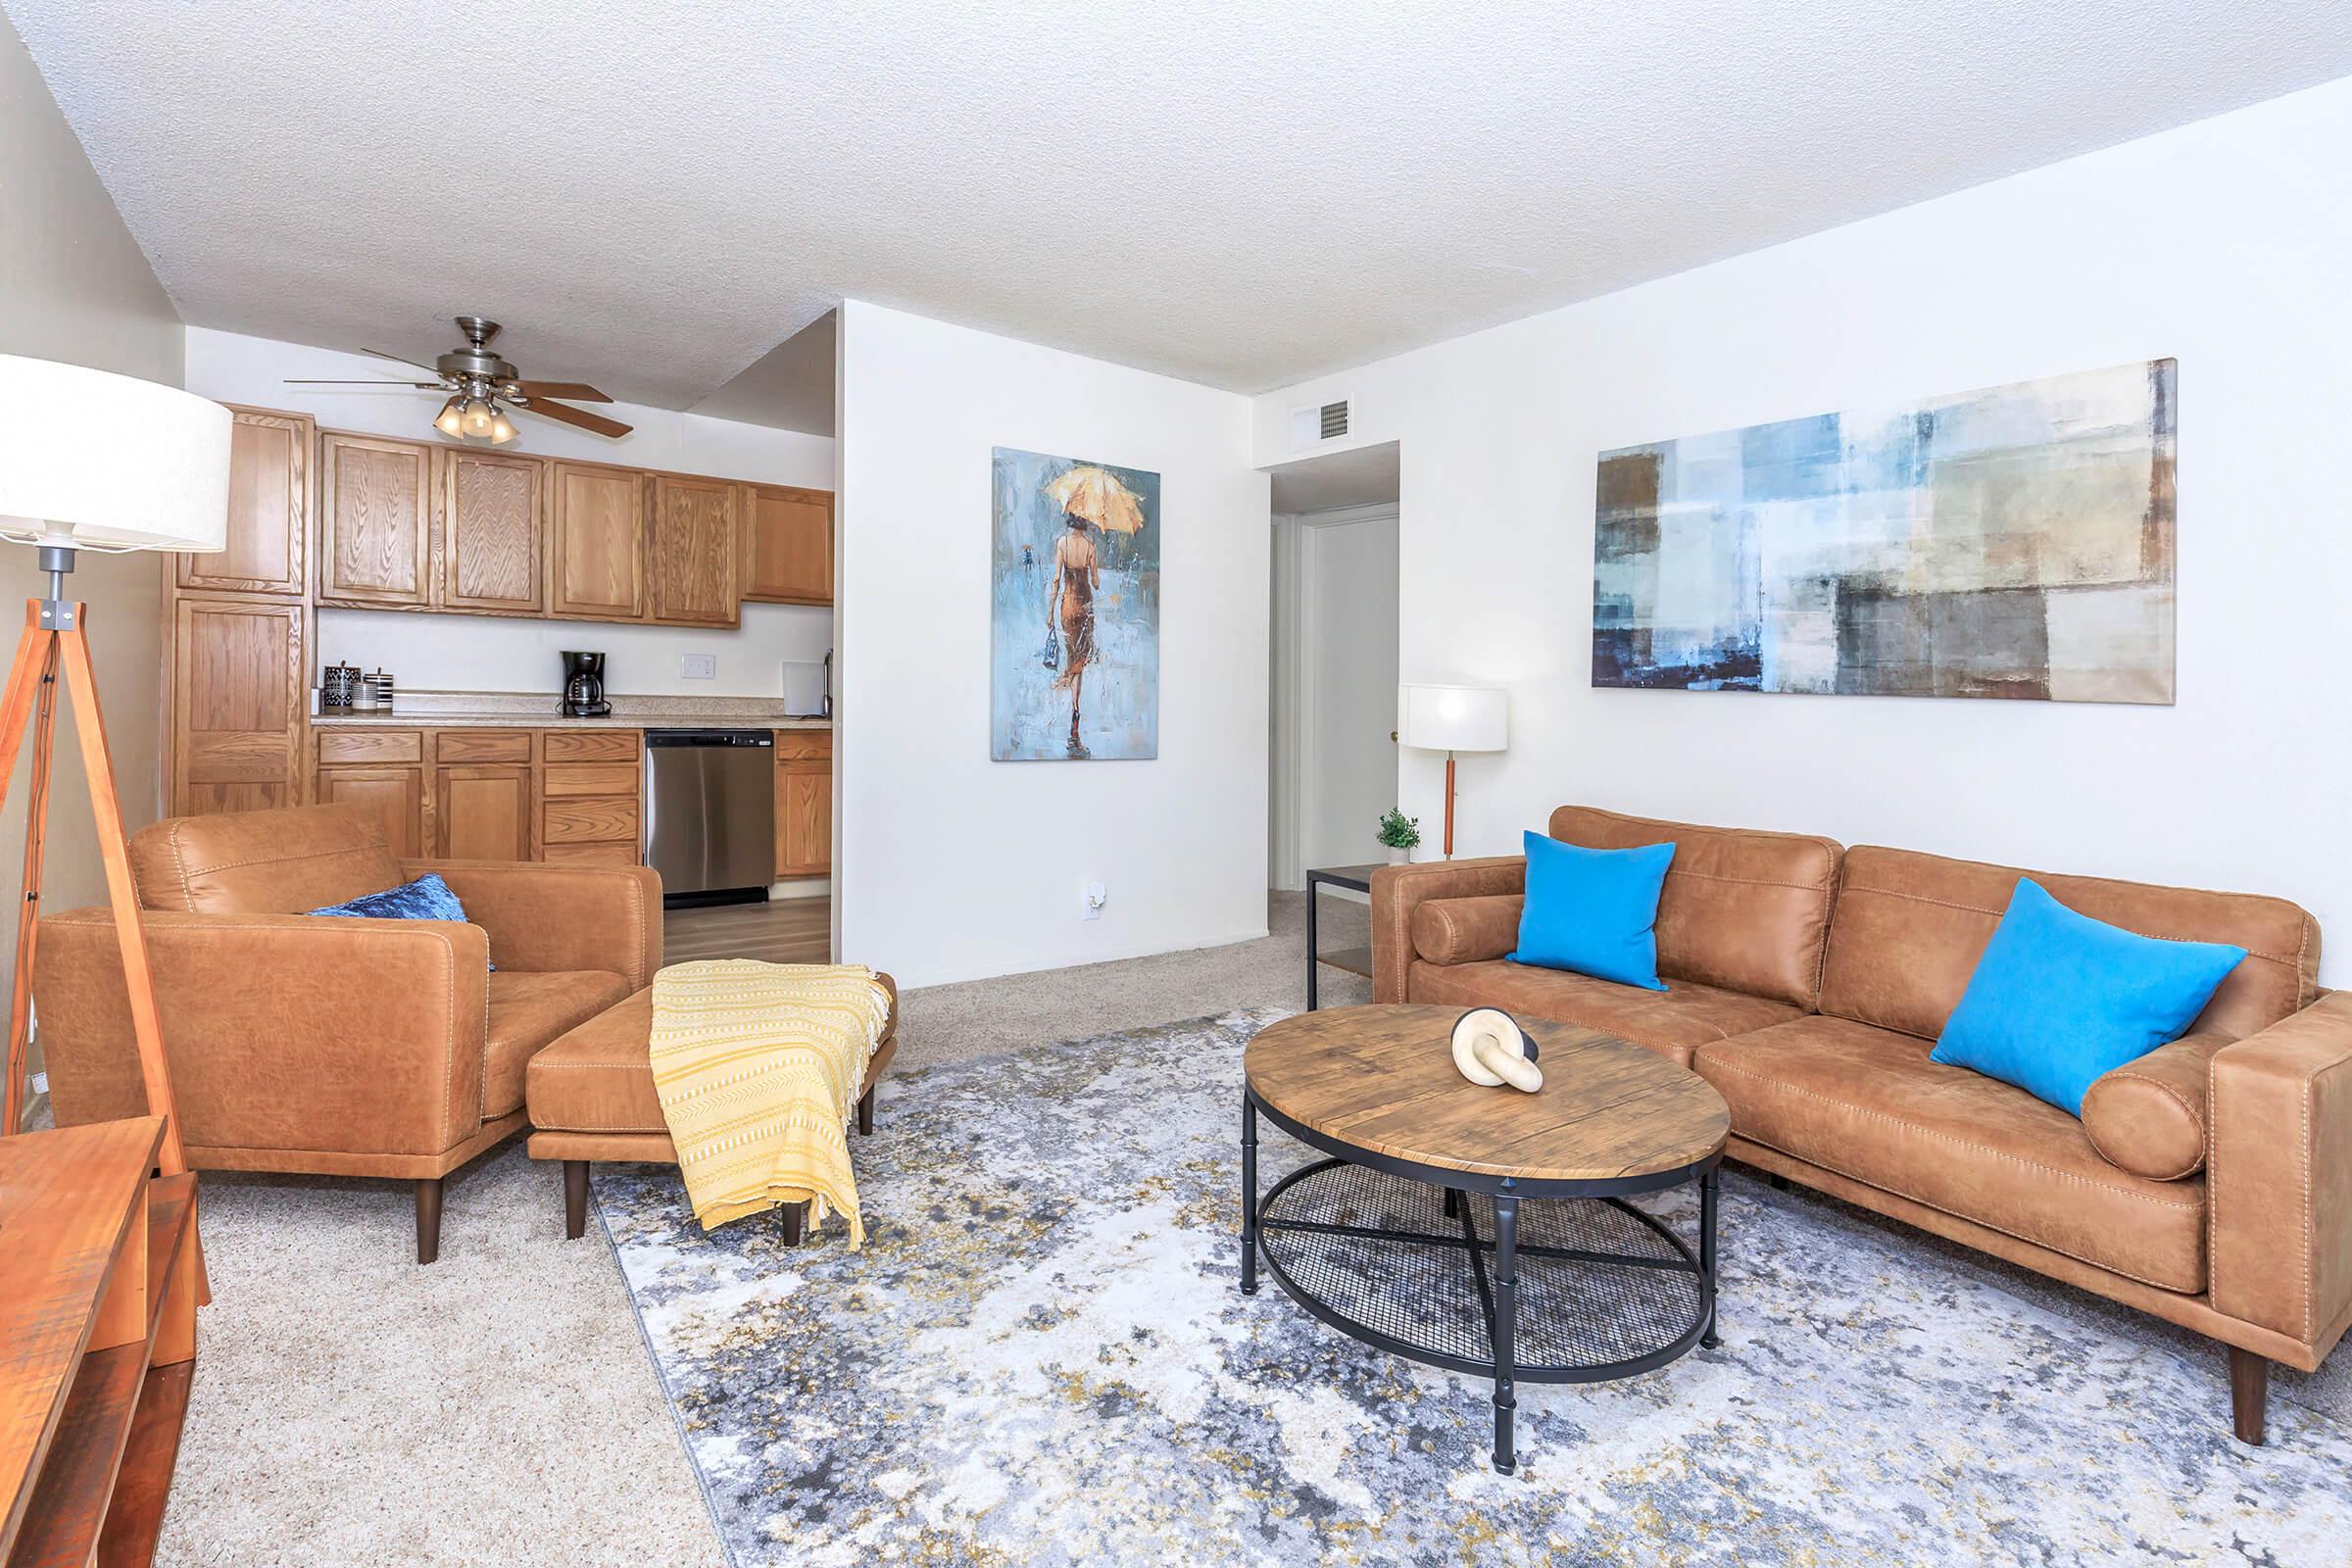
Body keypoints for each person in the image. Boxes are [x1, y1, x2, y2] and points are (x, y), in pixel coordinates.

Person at [1046, 509, 1100, 756]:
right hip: (1085, 605)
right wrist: (1091, 568)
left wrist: (1050, 612)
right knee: (1082, 658)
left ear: (1070, 521)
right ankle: (1075, 723)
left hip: (1067, 606)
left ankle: (1073, 703)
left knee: (1072, 656)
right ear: (1085, 523)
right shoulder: (1090, 547)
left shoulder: (1062, 543)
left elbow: (1056, 579)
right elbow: (1096, 583)